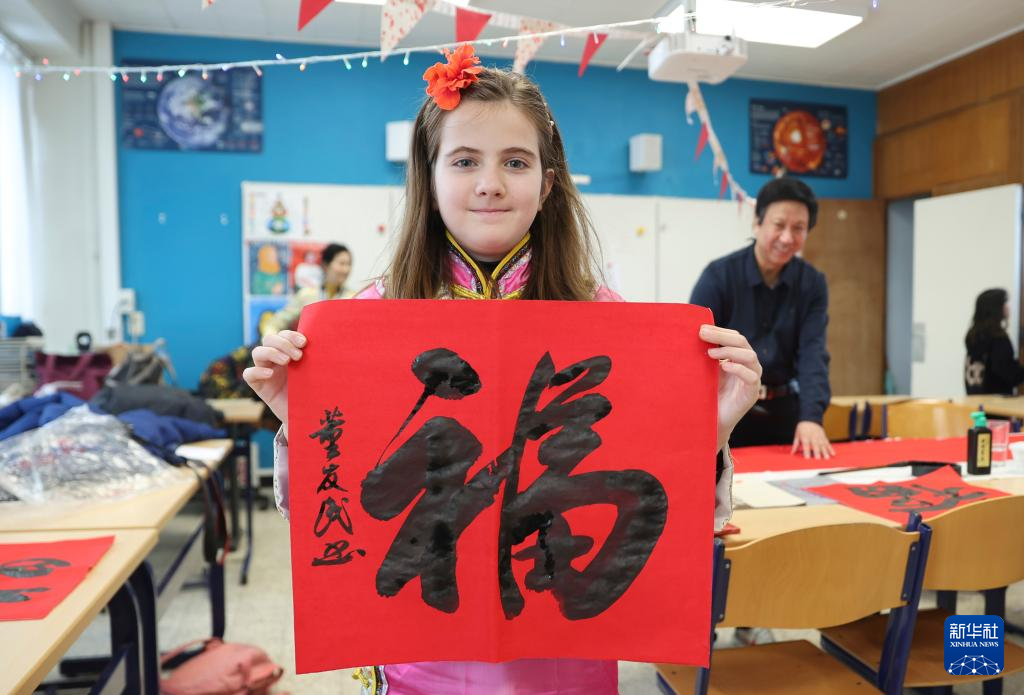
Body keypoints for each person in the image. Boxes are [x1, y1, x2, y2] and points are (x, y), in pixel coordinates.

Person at [243, 45, 762, 695]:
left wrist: (712, 427)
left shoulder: (608, 322)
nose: (490, 183)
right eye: (464, 161)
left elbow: (656, 508)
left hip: (564, 649)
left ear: (547, 184)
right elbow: (336, 527)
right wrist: (304, 415)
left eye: (515, 162)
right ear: (429, 178)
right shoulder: (362, 322)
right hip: (419, 649)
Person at [691, 176, 833, 459]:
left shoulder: (812, 284)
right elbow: (694, 351)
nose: (787, 238)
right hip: (729, 411)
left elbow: (813, 353)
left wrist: (811, 417)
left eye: (798, 228)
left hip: (785, 411)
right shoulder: (719, 277)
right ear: (757, 223)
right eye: (779, 225)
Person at [260, 243, 355, 336]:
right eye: (342, 264)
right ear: (325, 265)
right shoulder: (307, 294)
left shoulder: (353, 297)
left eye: (349, 264)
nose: (346, 269)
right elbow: (276, 322)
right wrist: (270, 338)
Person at [964, 288, 1024, 395]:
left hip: (975, 399)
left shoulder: (973, 336)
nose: (1007, 307)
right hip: (996, 401)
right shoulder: (998, 339)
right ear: (995, 308)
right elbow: (1007, 373)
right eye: (1004, 303)